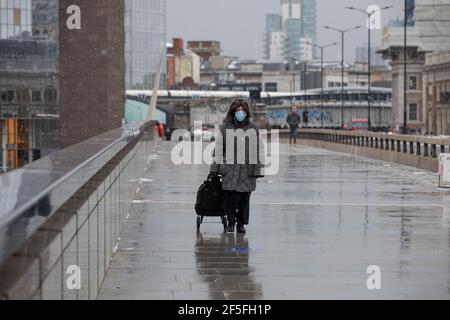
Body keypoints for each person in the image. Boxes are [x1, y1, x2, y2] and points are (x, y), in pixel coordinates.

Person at [210, 99, 263, 234]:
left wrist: (257, 169)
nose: (241, 113)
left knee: (244, 199)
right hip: (230, 169)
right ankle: (231, 222)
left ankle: (241, 224)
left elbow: (258, 150)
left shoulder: (253, 130)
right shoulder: (225, 129)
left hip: (247, 170)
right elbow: (218, 150)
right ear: (233, 112)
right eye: (238, 111)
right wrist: (214, 169)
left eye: (243, 111)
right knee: (230, 198)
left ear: (247, 113)